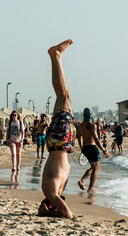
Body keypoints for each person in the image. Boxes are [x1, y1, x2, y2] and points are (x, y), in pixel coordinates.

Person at [39, 39, 76, 219]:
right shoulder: (53, 191)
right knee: (63, 96)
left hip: (60, 141)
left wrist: (50, 213)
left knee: (64, 95)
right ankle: (55, 56)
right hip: (60, 142)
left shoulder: (50, 191)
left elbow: (68, 215)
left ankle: (55, 55)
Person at [77, 108, 110, 193]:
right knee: (95, 168)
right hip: (92, 147)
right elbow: (96, 139)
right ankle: (89, 187)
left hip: (85, 147)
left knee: (94, 167)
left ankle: (83, 181)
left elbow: (79, 138)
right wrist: (104, 150)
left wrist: (81, 149)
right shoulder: (92, 125)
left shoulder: (80, 126)